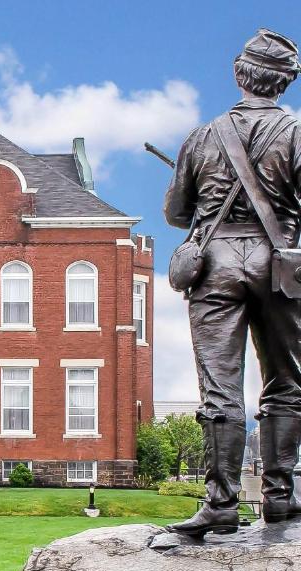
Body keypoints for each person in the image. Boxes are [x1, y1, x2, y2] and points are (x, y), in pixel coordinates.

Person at [164, 28, 301, 536]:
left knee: (220, 388)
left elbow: (177, 211)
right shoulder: (298, 133)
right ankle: (280, 497)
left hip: (216, 265)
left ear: (239, 75)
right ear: (285, 81)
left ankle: (220, 502)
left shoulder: (202, 136)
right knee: (285, 382)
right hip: (281, 267)